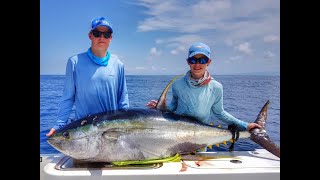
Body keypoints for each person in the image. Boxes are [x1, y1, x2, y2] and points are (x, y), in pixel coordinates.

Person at [146, 42, 261, 148]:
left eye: (202, 60)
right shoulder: (177, 84)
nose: (197, 64)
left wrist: (245, 125)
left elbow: (219, 113)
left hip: (201, 137)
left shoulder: (216, 87)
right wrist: (162, 107)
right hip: (177, 135)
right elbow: (174, 107)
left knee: (198, 164)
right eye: (193, 60)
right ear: (188, 61)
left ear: (208, 62)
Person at [46, 16, 129, 137]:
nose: (101, 37)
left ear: (110, 38)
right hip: (83, 132)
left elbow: (123, 101)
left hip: (110, 133)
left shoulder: (118, 64)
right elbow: (68, 97)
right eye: (97, 33)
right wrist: (59, 125)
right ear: (90, 35)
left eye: (106, 34)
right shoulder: (74, 62)